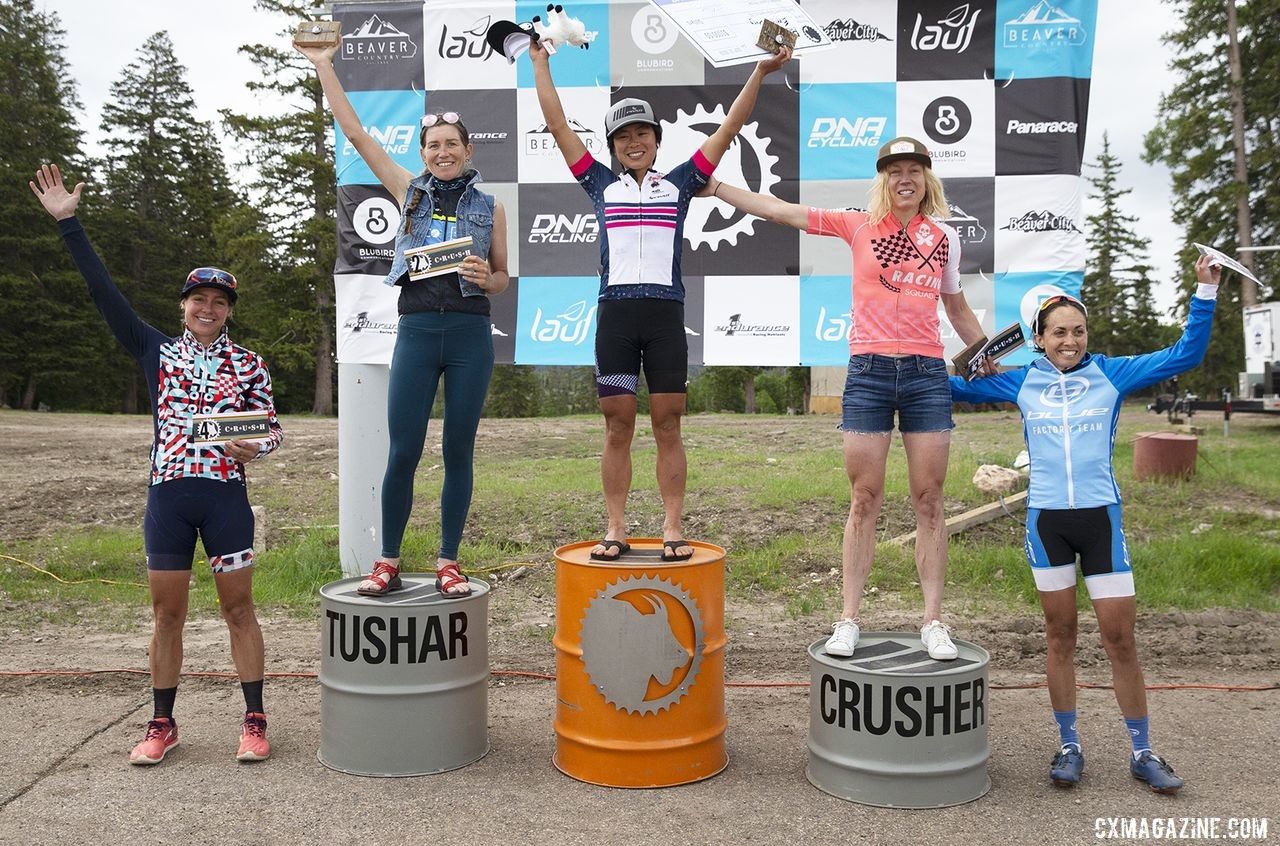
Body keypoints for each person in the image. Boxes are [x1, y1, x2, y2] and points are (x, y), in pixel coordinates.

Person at [30, 163, 284, 765]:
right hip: (168, 497)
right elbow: (103, 293)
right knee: (167, 613)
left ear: (229, 312)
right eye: (199, 298)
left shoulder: (248, 364)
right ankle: (162, 723)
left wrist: (257, 447)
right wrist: (69, 224)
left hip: (225, 497)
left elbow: (271, 429)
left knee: (238, 609)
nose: (208, 308)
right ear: (183, 306)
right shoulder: (155, 349)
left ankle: (254, 720)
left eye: (219, 302)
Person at [705, 137, 989, 659]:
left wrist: (982, 349)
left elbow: (957, 307)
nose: (905, 178)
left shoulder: (944, 237)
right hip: (869, 372)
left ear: (927, 178)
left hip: (927, 374)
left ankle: (932, 622)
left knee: (929, 499)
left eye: (914, 170)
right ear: (883, 179)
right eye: (895, 171)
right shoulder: (858, 225)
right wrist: (717, 186)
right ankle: (848, 619)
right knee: (864, 499)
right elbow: (780, 210)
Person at [949, 258, 1221, 794]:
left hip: (1101, 521)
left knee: (1121, 640)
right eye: (1058, 333)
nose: (1069, 340)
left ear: (1086, 335)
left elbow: (1185, 354)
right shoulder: (1019, 383)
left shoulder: (1113, 374)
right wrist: (974, 363)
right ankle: (1069, 744)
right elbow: (949, 386)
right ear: (1039, 339)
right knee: (1060, 637)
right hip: (1047, 521)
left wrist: (1205, 289)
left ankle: (1143, 752)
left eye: (1077, 331)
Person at [528, 39, 791, 562]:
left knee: (668, 421)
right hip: (617, 315)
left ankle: (673, 528)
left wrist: (760, 70)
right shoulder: (599, 184)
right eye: (623, 135)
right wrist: (539, 63)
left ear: (655, 138)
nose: (633, 141)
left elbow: (730, 128)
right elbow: (558, 127)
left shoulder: (681, 183)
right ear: (612, 145)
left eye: (641, 133)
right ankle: (616, 527)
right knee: (617, 422)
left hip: (666, 315)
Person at [296, 37, 510, 598]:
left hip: (468, 334)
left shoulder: (492, 207)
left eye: (451, 144)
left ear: (467, 150)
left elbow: (504, 275)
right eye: (433, 145)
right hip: (416, 331)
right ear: (423, 153)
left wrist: (490, 279)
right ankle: (387, 561)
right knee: (404, 451)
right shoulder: (405, 189)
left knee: (459, 448)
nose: (442, 152)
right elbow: (358, 135)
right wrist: (324, 66)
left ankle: (447, 562)